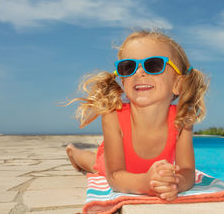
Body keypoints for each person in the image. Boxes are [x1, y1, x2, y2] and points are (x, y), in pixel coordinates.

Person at [65, 30, 208, 201]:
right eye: (128, 67)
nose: (139, 73)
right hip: (116, 163)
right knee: (95, 163)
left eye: (153, 65)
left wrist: (176, 182)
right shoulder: (113, 116)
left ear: (178, 84)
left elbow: (187, 172)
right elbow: (115, 177)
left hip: (143, 170)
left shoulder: (183, 119)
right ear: (123, 81)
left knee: (96, 162)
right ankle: (73, 152)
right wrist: (146, 183)